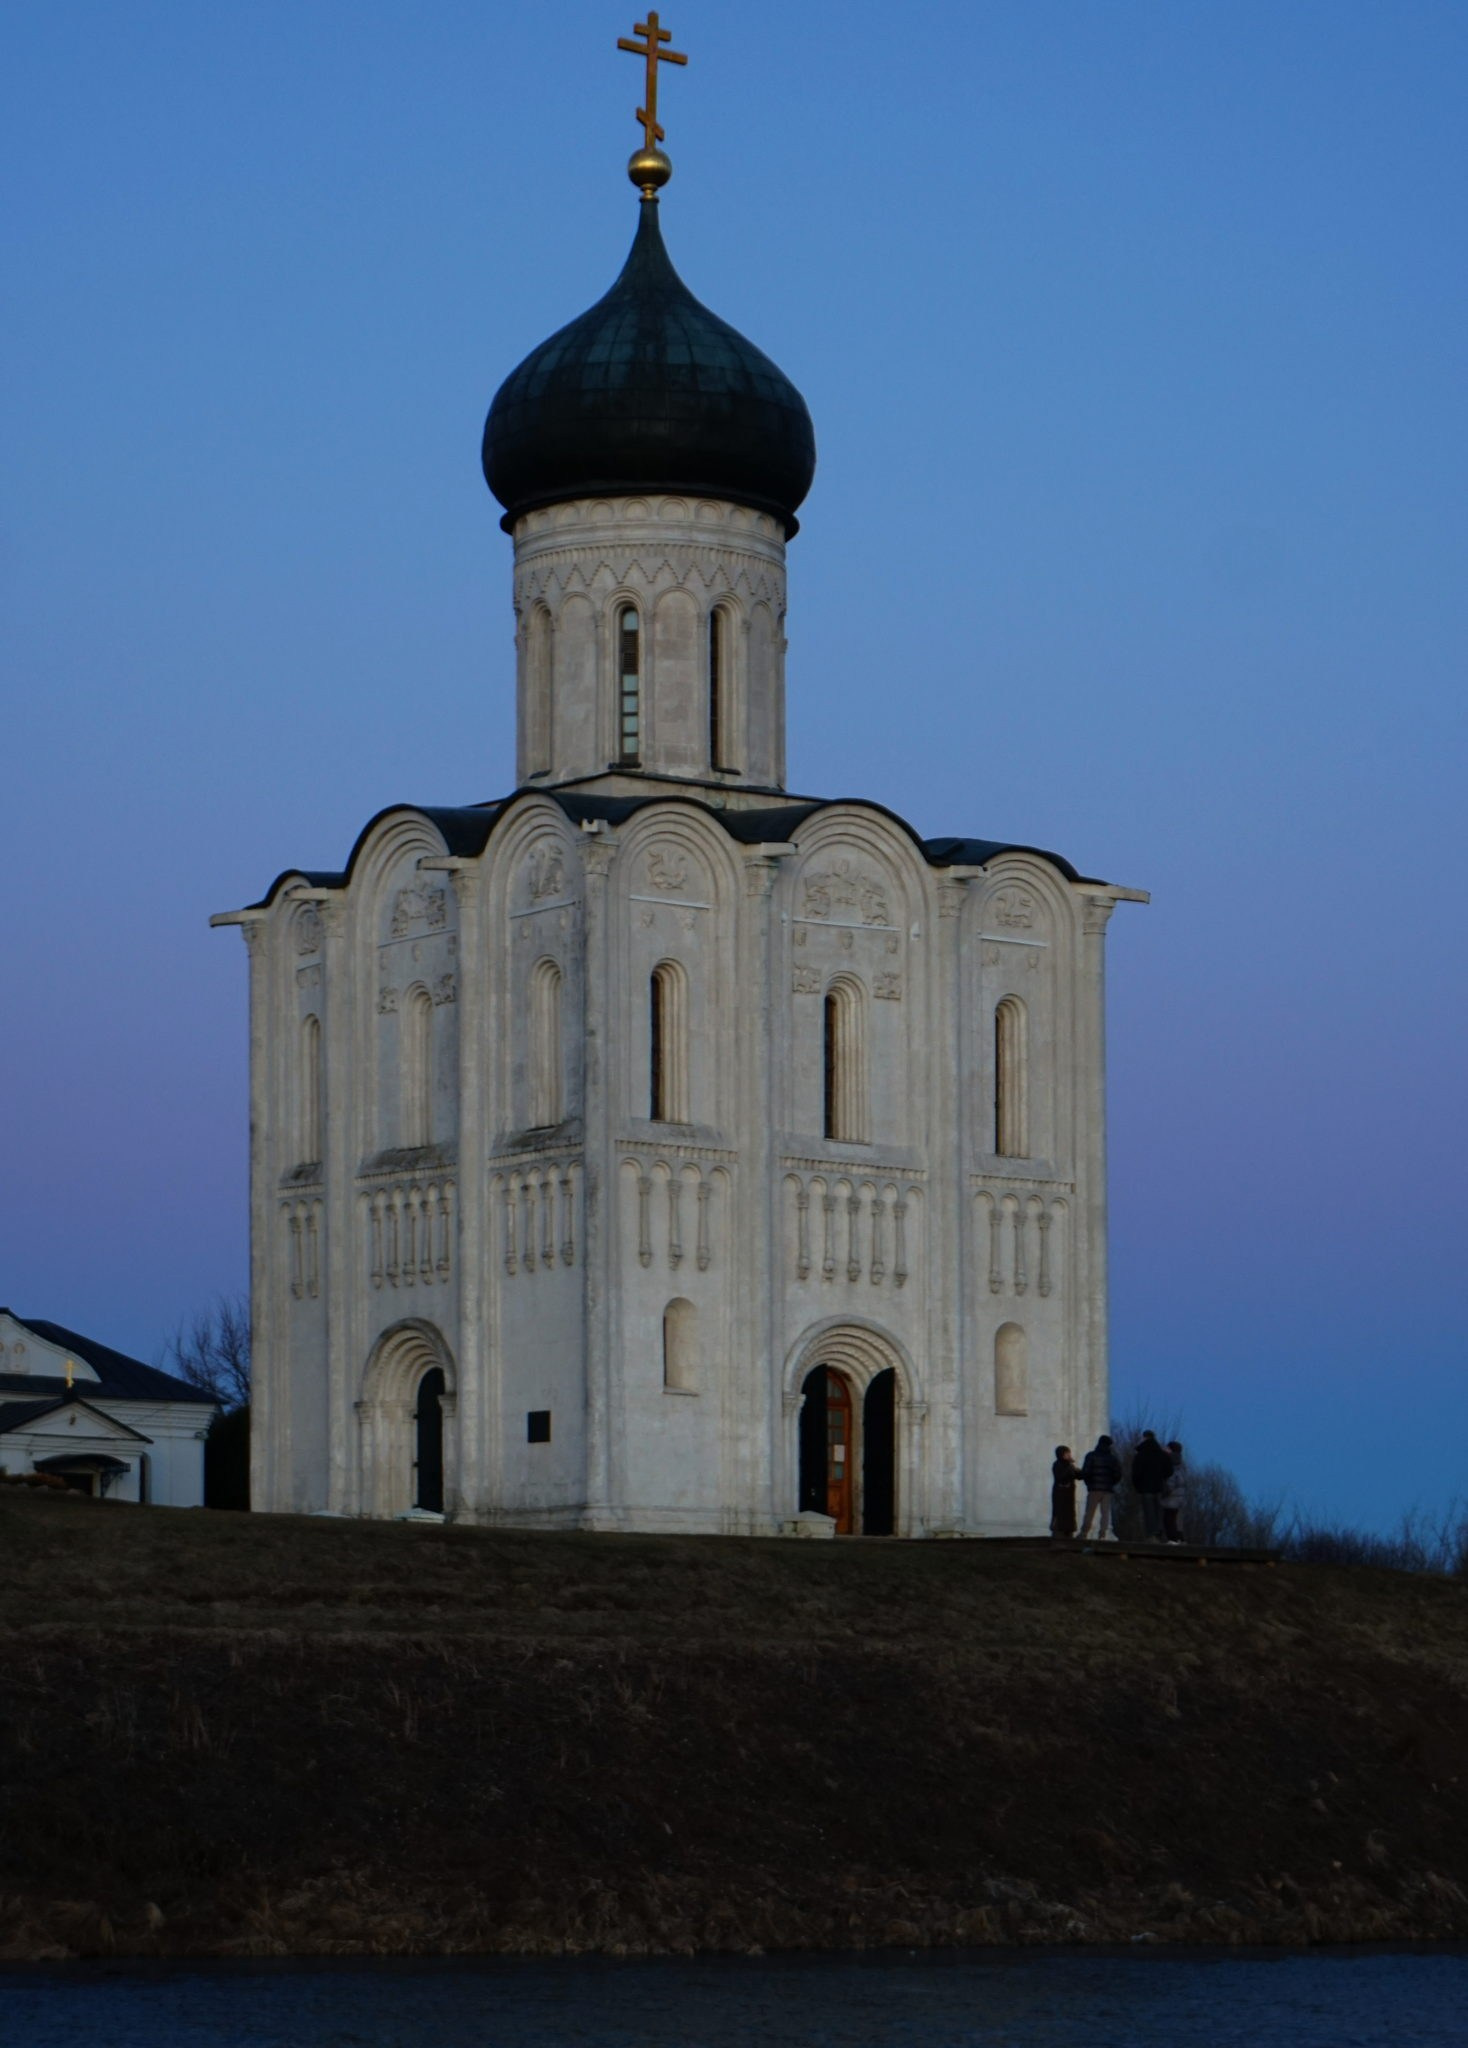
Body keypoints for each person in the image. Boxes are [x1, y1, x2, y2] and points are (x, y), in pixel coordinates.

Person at [1079, 1434, 1121, 1539]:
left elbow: (1085, 1472)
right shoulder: (1113, 1459)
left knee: (1089, 1512)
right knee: (1105, 1513)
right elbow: (1118, 1474)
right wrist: (1111, 1483)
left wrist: (1089, 1483)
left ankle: (1084, 1533)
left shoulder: (1091, 1456)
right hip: (1107, 1489)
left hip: (1094, 1488)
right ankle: (1103, 1534)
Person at [1050, 1445, 1081, 1539]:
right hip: (1060, 1493)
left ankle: (1068, 1533)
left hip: (1069, 1494)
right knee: (1059, 1513)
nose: (1069, 1455)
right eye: (1067, 1453)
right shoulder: (1057, 1464)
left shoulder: (1070, 1465)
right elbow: (1060, 1477)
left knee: (1069, 1514)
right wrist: (1070, 1468)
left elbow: (1078, 1476)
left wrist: (1082, 1472)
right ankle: (1058, 1534)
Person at [1161, 1440, 1186, 1544]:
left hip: (1171, 1497)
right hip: (1180, 1496)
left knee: (1168, 1519)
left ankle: (1173, 1539)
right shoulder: (1181, 1463)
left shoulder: (1170, 1461)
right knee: (1177, 1520)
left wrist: (1164, 1492)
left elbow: (1171, 1480)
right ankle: (1180, 1539)